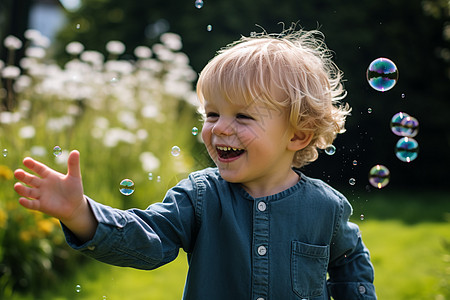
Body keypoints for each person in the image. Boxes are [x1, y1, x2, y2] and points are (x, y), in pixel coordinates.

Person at [14, 27, 377, 299]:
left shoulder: (325, 207)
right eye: (212, 113)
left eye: (243, 117)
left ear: (297, 136)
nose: (219, 128)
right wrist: (80, 213)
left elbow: (349, 259)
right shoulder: (201, 196)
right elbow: (149, 238)